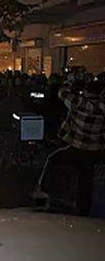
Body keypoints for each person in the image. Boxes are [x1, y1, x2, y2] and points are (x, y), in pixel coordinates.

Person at [45, 74, 105, 215]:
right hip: (94, 151)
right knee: (86, 180)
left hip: (76, 147)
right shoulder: (102, 108)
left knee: (53, 161)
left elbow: (62, 92)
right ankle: (83, 209)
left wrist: (70, 80)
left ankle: (49, 193)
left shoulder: (78, 102)